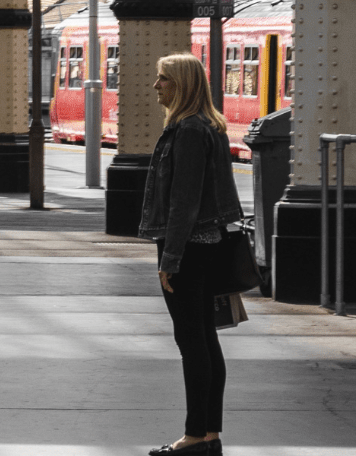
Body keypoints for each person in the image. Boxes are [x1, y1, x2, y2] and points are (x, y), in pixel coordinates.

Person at [138, 52, 245, 456]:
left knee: (191, 342)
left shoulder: (187, 131)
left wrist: (170, 259)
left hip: (187, 248)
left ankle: (194, 436)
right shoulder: (210, 127)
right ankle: (210, 434)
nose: (157, 86)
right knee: (205, 340)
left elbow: (183, 202)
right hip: (207, 244)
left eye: (163, 78)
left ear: (181, 84)